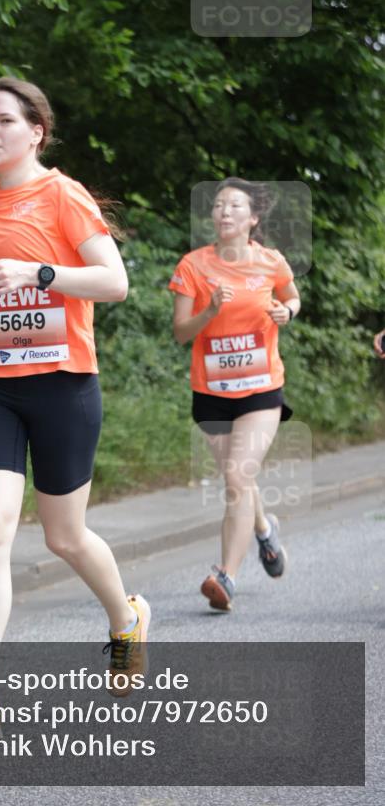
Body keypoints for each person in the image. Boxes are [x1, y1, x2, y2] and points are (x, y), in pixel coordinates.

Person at [0, 77, 150, 739]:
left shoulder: (62, 195)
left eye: (3, 121)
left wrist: (39, 276)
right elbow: (3, 273)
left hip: (62, 384)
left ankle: (126, 619)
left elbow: (114, 282)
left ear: (36, 131)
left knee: (63, 536)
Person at [169, 178, 301, 612]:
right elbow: (179, 333)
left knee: (236, 478)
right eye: (219, 205)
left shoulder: (271, 262)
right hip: (211, 392)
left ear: (253, 218)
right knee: (239, 477)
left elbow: (292, 297)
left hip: (261, 389)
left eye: (234, 206)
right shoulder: (193, 265)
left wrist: (287, 311)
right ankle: (264, 530)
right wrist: (211, 310)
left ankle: (225, 576)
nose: (223, 212)